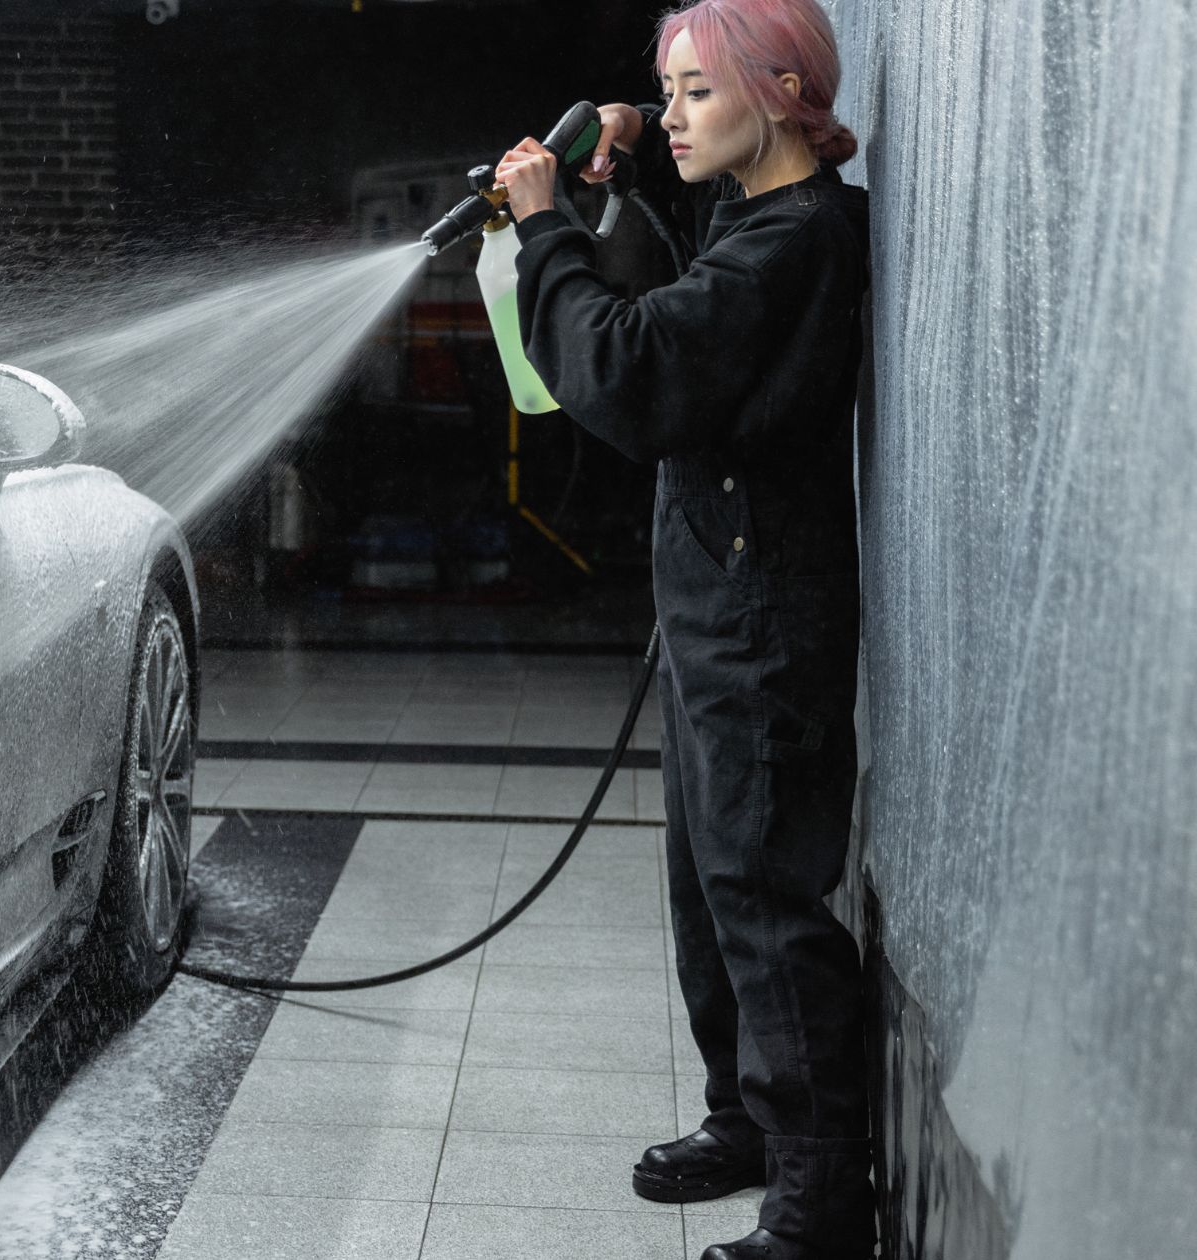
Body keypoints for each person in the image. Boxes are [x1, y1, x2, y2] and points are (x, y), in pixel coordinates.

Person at [493, 1, 873, 1257]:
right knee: (709, 892)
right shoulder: (755, 217)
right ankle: (746, 1120)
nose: (668, 116)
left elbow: (632, 364)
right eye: (664, 92)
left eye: (691, 94)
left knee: (765, 899)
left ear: (775, 91)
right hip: (716, 605)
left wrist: (546, 222)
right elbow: (686, 284)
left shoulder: (794, 242)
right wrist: (621, 167)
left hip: (761, 622)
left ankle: (817, 1208)